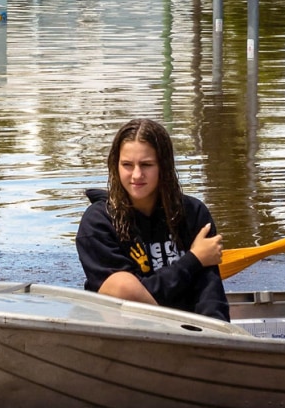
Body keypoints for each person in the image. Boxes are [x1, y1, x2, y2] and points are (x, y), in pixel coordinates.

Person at [76, 118, 230, 321]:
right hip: (124, 331)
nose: (137, 175)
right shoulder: (97, 223)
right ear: (116, 166)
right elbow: (130, 296)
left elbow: (210, 292)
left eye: (147, 164)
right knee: (121, 283)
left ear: (163, 167)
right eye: (127, 165)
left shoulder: (193, 213)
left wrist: (218, 334)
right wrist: (193, 260)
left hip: (190, 330)